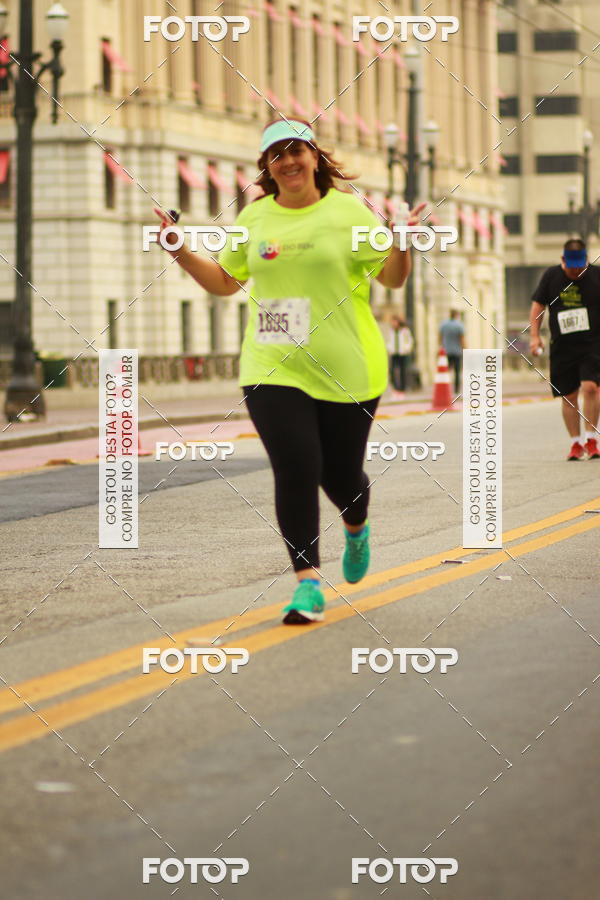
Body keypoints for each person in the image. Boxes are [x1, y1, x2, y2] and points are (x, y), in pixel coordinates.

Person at [153, 116, 424, 624]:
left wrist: (402, 243)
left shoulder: (349, 213)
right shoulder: (254, 220)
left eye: (297, 150)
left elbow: (391, 278)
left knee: (340, 476)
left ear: (315, 158)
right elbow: (225, 281)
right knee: (297, 465)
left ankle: (357, 522)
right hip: (272, 364)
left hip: (348, 365)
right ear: (266, 168)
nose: (289, 161)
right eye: (277, 155)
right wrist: (181, 252)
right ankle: (307, 584)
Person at [530, 238, 600, 460]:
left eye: (581, 267)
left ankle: (591, 439)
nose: (577, 272)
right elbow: (538, 306)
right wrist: (534, 336)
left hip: (593, 344)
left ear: (586, 261)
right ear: (563, 260)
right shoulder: (551, 276)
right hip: (562, 346)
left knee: (591, 388)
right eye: (572, 268)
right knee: (568, 396)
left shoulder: (596, 275)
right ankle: (575, 443)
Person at [386, 314, 414, 395]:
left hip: (403, 353)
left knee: (403, 371)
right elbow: (388, 341)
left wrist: (407, 349)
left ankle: (402, 388)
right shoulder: (391, 331)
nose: (393, 323)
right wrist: (389, 348)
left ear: (398, 322)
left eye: (395, 322)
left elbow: (409, 341)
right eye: (392, 322)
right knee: (392, 370)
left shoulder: (405, 331)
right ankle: (396, 388)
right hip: (394, 353)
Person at [439, 309, 465, 393]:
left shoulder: (444, 325)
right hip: (457, 351)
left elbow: (440, 337)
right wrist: (464, 348)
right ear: (457, 315)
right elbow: (462, 339)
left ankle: (446, 388)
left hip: (446, 351)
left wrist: (441, 346)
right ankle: (456, 390)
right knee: (457, 371)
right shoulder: (459, 325)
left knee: (447, 371)